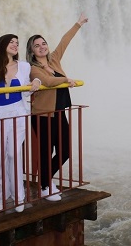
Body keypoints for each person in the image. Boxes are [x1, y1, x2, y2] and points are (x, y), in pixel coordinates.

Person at [0, 0, 41, 213]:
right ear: (3, 45)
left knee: (14, 154)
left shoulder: (23, 66)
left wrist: (37, 82)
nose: (15, 44)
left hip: (17, 114)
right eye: (11, 42)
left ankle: (19, 197)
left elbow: (35, 77)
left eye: (17, 42)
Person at [26, 13, 88, 201]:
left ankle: (45, 180)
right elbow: (48, 81)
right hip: (43, 115)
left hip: (59, 112)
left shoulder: (54, 59)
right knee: (46, 152)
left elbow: (64, 41)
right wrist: (65, 79)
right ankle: (45, 186)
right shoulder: (32, 68)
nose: (41, 47)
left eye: (43, 43)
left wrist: (78, 24)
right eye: (37, 46)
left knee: (64, 152)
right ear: (32, 51)